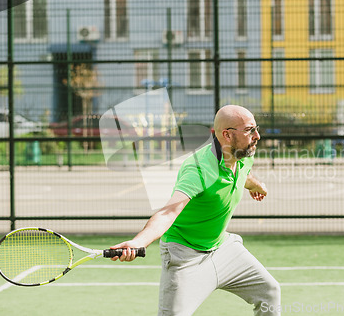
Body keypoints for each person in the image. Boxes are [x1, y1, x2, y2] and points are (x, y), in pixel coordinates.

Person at [111, 105, 281, 316]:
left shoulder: (243, 153)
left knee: (270, 292)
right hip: (185, 256)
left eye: (256, 128)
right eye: (249, 130)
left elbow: (242, 173)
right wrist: (139, 242)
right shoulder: (199, 169)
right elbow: (168, 212)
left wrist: (255, 185)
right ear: (227, 135)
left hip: (222, 248)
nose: (257, 136)